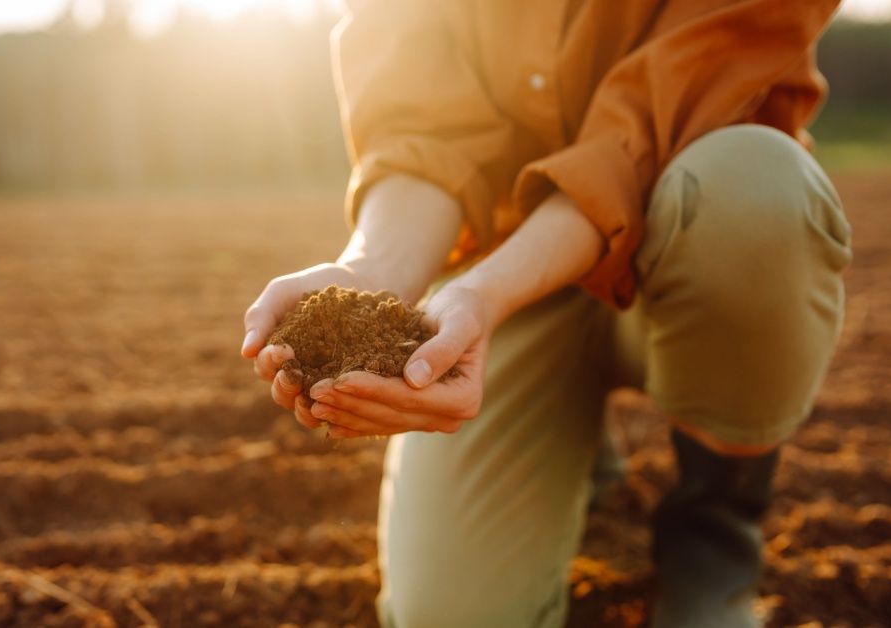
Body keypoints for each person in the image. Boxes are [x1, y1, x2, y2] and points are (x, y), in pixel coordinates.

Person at [241, 1, 850, 626]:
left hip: (690, 238)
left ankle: (713, 539)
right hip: (508, 277)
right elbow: (422, 136)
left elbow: (645, 126)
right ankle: (586, 471)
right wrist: (372, 274)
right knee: (453, 616)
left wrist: (484, 291)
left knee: (757, 192)